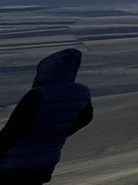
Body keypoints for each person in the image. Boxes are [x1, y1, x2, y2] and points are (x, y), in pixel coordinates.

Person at [0, 49, 94, 185]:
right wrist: (56, 134)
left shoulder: (38, 94)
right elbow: (85, 118)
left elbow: (13, 129)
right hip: (48, 160)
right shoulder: (82, 93)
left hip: (15, 162)